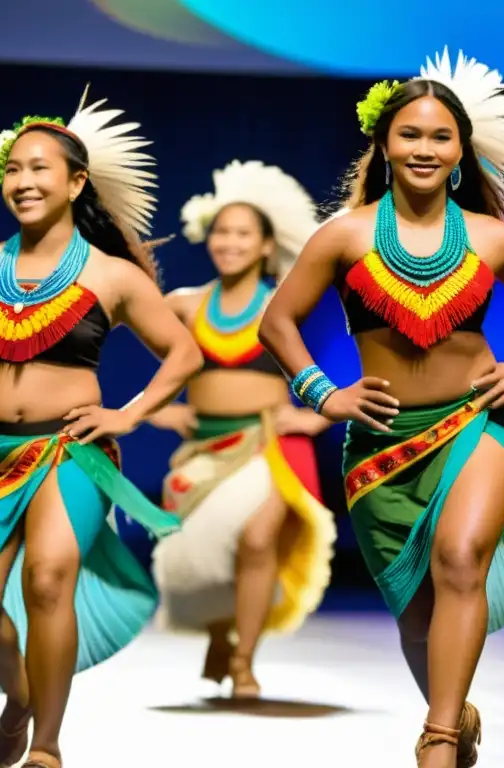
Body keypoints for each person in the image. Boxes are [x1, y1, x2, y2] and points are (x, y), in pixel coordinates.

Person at [258, 48, 504, 768]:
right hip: (379, 448)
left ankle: (436, 739)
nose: (425, 148)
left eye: (440, 136)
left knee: (460, 558)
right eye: (410, 134)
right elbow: (277, 324)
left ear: (462, 150)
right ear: (384, 144)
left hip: (477, 427)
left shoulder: (495, 238)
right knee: (416, 617)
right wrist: (324, 393)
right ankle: (454, 712)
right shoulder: (342, 235)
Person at [0, 89, 202, 768]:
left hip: (71, 452)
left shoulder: (111, 276)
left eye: (40, 168)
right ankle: (23, 694)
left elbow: (184, 353)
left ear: (76, 181)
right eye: (14, 170)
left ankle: (49, 748)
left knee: (50, 577)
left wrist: (129, 412)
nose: (24, 182)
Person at [147, 160, 337, 697]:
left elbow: (335, 365)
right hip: (204, 446)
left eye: (242, 234)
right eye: (221, 232)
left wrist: (316, 415)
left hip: (267, 445)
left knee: (257, 541)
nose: (228, 242)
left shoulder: (286, 305)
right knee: (201, 553)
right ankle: (219, 633)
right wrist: (157, 410)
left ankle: (246, 660)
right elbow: (153, 360)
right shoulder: (183, 305)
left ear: (264, 245)